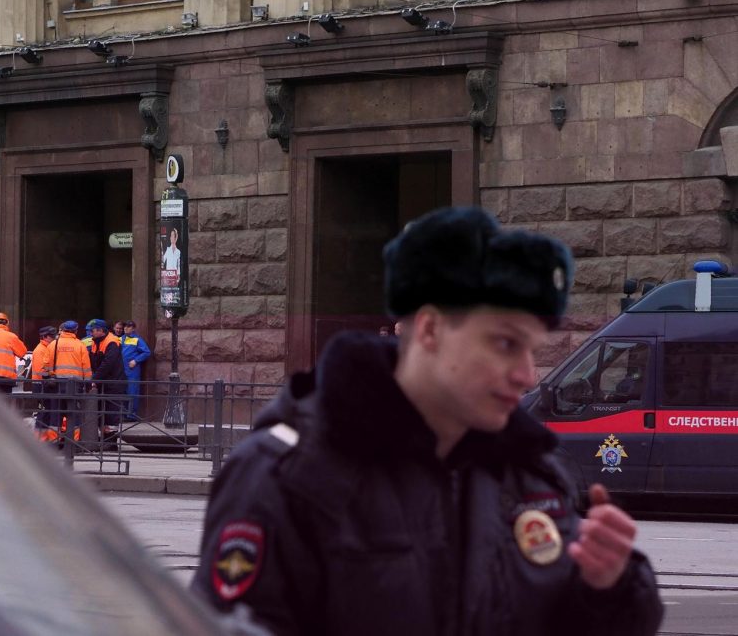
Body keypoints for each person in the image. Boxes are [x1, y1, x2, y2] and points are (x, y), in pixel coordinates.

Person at [192, 206, 663, 636]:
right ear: (432, 329)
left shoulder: (528, 475)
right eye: (504, 344)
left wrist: (610, 590)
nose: (526, 375)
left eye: (532, 350)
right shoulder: (286, 476)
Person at [43, 321, 93, 436]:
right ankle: (74, 443)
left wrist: (51, 373)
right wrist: (88, 383)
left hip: (57, 384)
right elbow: (86, 366)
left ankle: (53, 440)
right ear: (75, 331)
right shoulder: (80, 345)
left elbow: (45, 364)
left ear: (63, 330)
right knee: (74, 414)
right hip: (75, 385)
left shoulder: (53, 344)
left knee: (56, 413)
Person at [121, 320, 151, 420]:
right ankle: (124, 414)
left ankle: (131, 415)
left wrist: (136, 360)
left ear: (133, 328)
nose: (126, 328)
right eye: (125, 326)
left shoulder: (137, 339)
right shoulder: (121, 339)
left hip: (131, 370)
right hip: (122, 369)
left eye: (128, 327)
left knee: (132, 391)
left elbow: (146, 352)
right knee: (123, 391)